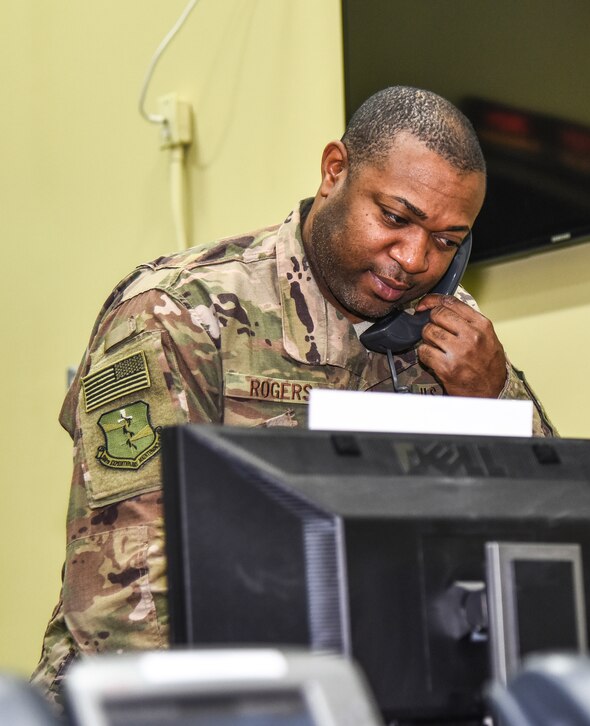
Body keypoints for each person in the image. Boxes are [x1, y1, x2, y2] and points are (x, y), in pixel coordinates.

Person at [31, 86, 556, 701]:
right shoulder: (177, 312)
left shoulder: (446, 332)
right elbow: (127, 596)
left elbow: (555, 537)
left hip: (362, 690)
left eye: (446, 241)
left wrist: (490, 398)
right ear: (335, 171)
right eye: (395, 217)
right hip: (165, 702)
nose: (414, 259)